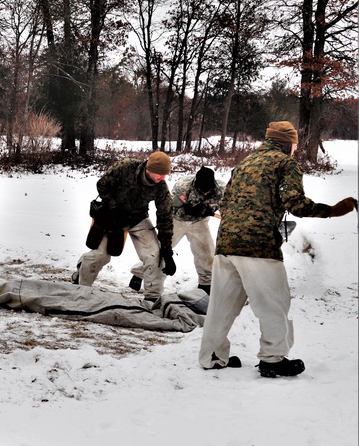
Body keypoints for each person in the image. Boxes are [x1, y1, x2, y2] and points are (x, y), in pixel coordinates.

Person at [197, 121, 357, 376]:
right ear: (287, 143)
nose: (295, 148)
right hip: (259, 247)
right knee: (273, 302)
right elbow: (295, 203)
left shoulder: (244, 164)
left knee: (221, 304)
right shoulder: (285, 163)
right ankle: (272, 359)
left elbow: (225, 205)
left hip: (226, 243)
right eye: (294, 143)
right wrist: (333, 211)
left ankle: (212, 356)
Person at [72, 151, 176, 305]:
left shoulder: (161, 187)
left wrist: (167, 250)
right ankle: (81, 286)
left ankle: (153, 298)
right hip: (112, 216)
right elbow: (102, 185)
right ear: (148, 168)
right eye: (160, 173)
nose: (163, 178)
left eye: (165, 174)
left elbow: (165, 216)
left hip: (138, 218)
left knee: (154, 254)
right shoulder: (126, 167)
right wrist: (114, 208)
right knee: (100, 255)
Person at [130, 166, 225, 294]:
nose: (204, 194)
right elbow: (168, 208)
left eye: (207, 191)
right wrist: (187, 209)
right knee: (159, 252)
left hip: (200, 222)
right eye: (201, 190)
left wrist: (207, 210)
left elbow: (226, 209)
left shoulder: (221, 189)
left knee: (206, 252)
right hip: (177, 220)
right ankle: (139, 273)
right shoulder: (183, 186)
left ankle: (206, 282)